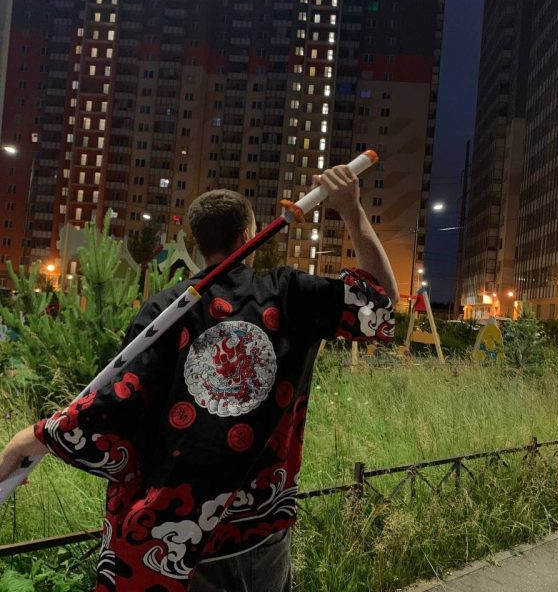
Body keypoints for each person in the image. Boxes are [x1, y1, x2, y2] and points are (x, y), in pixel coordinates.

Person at [0, 165, 399, 591]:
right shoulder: (289, 294)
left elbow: (118, 404)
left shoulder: (164, 309)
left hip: (180, 534)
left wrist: (33, 438)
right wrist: (351, 209)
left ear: (195, 244)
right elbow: (381, 304)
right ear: (248, 234)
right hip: (261, 525)